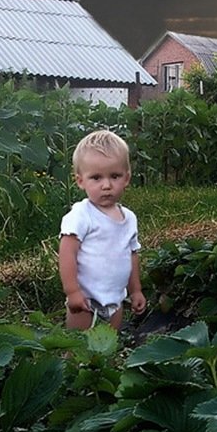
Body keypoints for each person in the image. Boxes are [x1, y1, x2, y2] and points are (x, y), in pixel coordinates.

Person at [58, 129, 146, 330]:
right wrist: (72, 292)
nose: (106, 185)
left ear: (127, 178)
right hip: (86, 301)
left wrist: (136, 290)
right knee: (78, 346)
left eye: (115, 176)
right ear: (80, 181)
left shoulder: (129, 218)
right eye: (96, 178)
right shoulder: (82, 214)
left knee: (108, 345)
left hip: (115, 300)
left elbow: (132, 256)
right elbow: (67, 252)